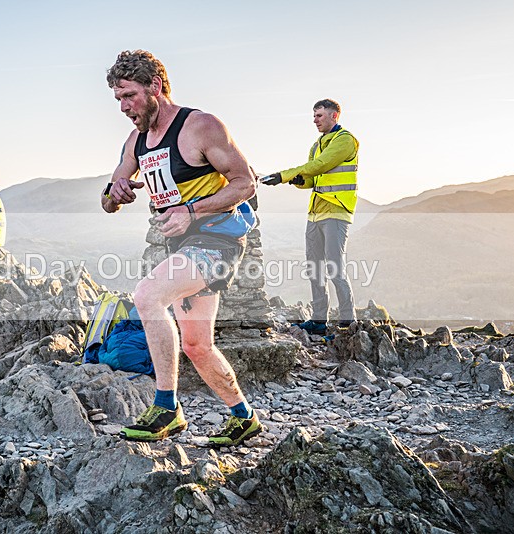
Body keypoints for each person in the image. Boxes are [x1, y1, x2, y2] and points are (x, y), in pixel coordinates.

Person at [102, 50, 262, 447]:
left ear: (155, 86)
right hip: (182, 244)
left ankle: (167, 408)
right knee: (196, 345)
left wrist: (191, 211)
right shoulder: (137, 141)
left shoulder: (201, 126)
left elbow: (245, 183)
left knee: (147, 295)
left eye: (130, 96)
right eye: (118, 99)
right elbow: (108, 199)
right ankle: (244, 417)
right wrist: (115, 191)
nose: (124, 107)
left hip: (218, 239)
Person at [262, 99, 358, 334]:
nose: (315, 120)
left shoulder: (345, 140)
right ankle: (318, 320)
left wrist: (284, 175)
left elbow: (321, 165)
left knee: (335, 267)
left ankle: (348, 319)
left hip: (336, 211)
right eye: (314, 116)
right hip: (315, 214)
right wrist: (298, 181)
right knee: (315, 268)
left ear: (334, 116)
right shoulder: (316, 144)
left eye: (319, 116)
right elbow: (312, 178)